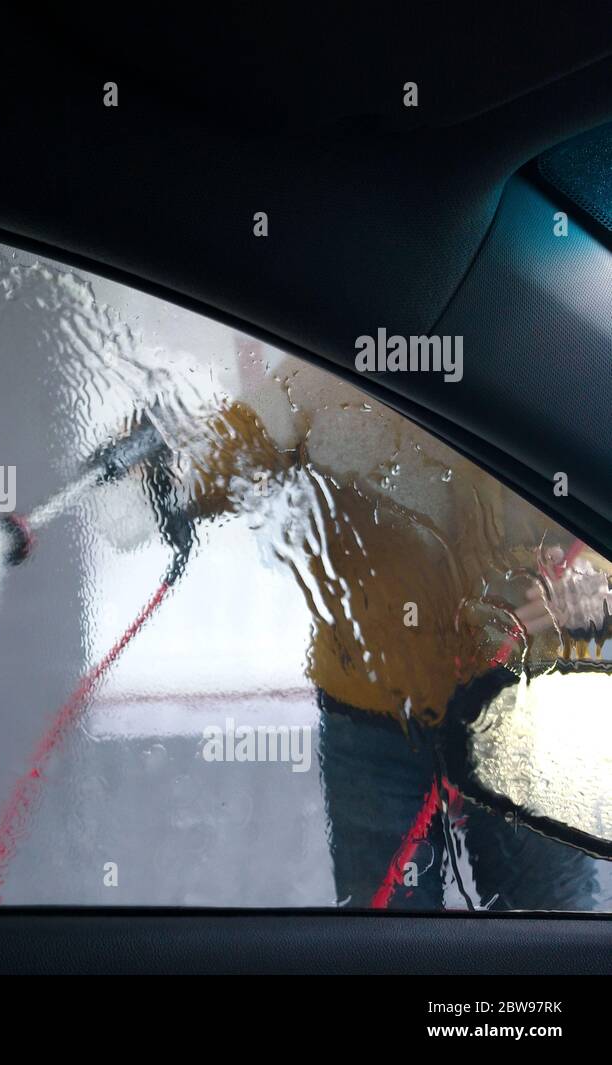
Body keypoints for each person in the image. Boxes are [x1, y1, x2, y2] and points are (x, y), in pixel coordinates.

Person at [152, 339, 612, 909]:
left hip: (533, 708)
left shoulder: (554, 357)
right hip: (374, 705)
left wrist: (595, 589)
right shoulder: (330, 364)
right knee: (389, 930)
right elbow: (237, 448)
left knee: (549, 924)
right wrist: (162, 467)